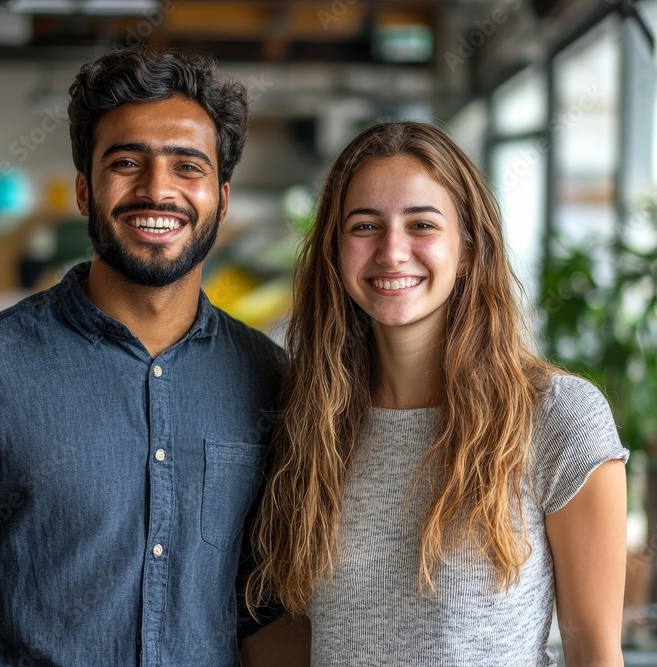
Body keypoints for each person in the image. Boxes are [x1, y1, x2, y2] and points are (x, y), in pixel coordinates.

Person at [0, 46, 285, 666]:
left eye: (187, 167)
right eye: (126, 162)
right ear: (85, 191)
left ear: (221, 198)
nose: (156, 189)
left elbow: (261, 610)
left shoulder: (270, 378)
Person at [247, 121, 628, 666]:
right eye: (364, 226)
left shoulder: (558, 416)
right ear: (335, 250)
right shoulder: (310, 420)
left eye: (421, 224)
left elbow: (594, 652)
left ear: (468, 250)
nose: (392, 251)